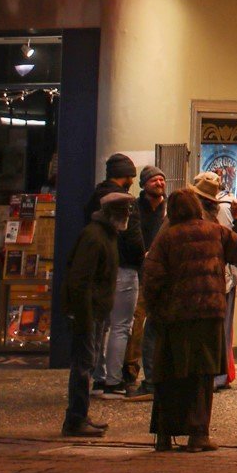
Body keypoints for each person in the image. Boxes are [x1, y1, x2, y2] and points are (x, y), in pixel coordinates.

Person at [140, 187, 237, 452]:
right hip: (208, 314)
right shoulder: (214, 232)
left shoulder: (166, 238)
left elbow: (152, 277)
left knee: (169, 373)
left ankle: (164, 433)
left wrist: (156, 311)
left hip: (175, 317)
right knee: (201, 374)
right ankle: (198, 435)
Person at [59, 191, 132, 437]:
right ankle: (75, 419)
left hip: (96, 311)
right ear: (112, 214)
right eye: (124, 211)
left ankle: (80, 415)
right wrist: (84, 317)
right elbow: (81, 281)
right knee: (83, 365)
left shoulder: (106, 235)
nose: (127, 216)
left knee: (86, 364)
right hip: (87, 313)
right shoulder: (95, 237)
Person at [85, 153, 144, 397]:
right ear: (127, 176)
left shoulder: (94, 199)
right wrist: (141, 258)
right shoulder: (127, 202)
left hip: (98, 269)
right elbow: (133, 240)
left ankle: (98, 379)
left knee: (101, 324)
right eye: (131, 175)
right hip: (124, 268)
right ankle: (114, 380)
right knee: (121, 325)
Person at [189, 172, 237, 390]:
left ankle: (209, 375)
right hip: (219, 279)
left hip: (202, 283)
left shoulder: (187, 221)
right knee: (220, 327)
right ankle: (216, 375)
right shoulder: (222, 213)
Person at [125, 165, 168, 401]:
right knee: (136, 322)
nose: (159, 183)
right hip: (140, 271)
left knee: (153, 324)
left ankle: (155, 374)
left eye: (161, 179)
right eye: (154, 180)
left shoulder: (168, 209)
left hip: (161, 272)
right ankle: (130, 371)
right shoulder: (135, 208)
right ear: (144, 184)